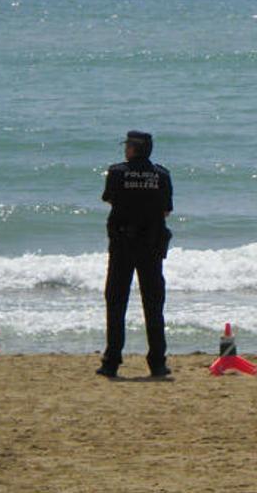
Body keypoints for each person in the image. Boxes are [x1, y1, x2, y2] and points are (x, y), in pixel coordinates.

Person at [96, 131, 174, 378]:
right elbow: (166, 211)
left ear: (132, 149)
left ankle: (111, 361)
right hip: (150, 247)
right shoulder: (161, 174)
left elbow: (109, 199)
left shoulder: (117, 172)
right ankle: (157, 363)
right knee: (153, 305)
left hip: (122, 246)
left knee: (116, 303)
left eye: (127, 146)